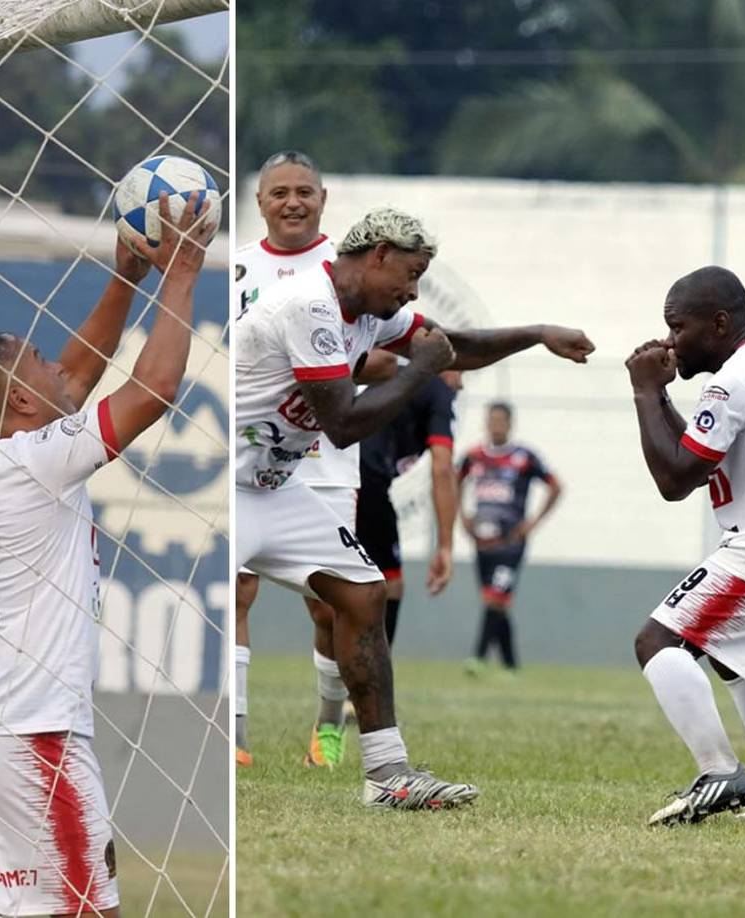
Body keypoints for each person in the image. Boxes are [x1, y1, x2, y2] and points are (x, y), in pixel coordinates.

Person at [234, 206, 593, 809]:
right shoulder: (310, 305)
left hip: (275, 487)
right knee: (229, 606)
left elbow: (456, 347)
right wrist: (423, 371)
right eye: (411, 273)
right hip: (230, 489)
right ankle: (228, 739)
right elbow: (345, 424)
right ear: (377, 254)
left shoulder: (370, 312)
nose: (413, 289)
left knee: (364, 594)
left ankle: (386, 774)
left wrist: (536, 334)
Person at [0, 194, 214, 918]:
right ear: (22, 400)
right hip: (28, 735)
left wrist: (125, 279)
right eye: (41, 362)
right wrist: (181, 274)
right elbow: (155, 390)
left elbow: (78, 378)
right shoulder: (37, 462)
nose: (61, 366)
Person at [232, 150, 395, 770]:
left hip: (325, 456)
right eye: (280, 192)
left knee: (330, 603)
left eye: (304, 190)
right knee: (239, 588)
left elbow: (382, 357)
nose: (292, 201)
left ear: (323, 199)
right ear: (261, 202)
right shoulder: (240, 268)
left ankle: (327, 728)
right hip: (251, 450)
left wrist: (339, 366)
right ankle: (238, 735)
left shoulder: (351, 273)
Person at [625, 266, 745, 826]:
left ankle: (719, 771)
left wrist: (645, 392)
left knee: (657, 642)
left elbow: (676, 480)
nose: (671, 340)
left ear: (719, 323)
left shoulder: (734, 380)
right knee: (735, 663)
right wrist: (663, 397)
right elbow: (699, 454)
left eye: (678, 326)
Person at [356, 369, 463, 645]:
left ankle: (347, 678)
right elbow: (442, 467)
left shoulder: (397, 380)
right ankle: (372, 682)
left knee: (334, 593)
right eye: (460, 371)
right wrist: (446, 547)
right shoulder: (437, 388)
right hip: (364, 484)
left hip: (334, 478)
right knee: (388, 585)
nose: (460, 384)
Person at [457, 403, 561, 674]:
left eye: (501, 420)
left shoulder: (524, 457)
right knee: (496, 603)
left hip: (511, 542)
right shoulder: (474, 456)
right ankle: (511, 664)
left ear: (510, 423)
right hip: (482, 542)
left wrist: (533, 522)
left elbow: (555, 486)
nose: (496, 425)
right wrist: (462, 515)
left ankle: (477, 658)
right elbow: (451, 480)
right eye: (492, 420)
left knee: (496, 599)